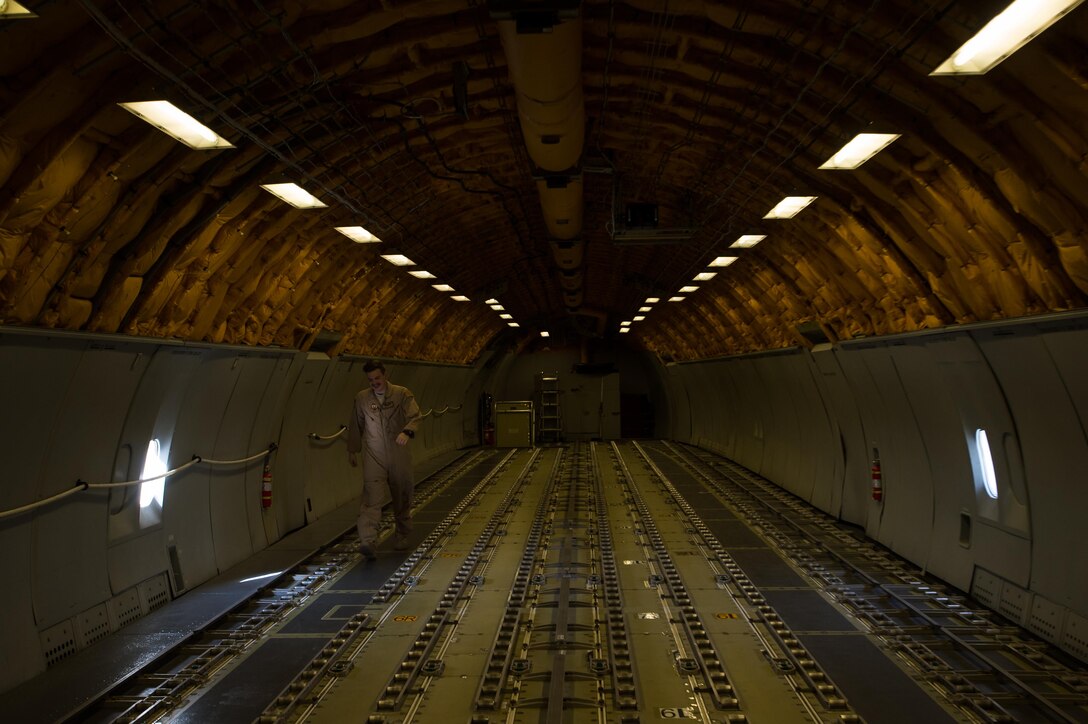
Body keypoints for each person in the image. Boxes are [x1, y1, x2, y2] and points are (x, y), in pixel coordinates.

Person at [347, 360, 422, 560]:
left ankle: (403, 534)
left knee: (402, 493)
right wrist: (352, 450)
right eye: (371, 380)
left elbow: (415, 416)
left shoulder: (401, 394)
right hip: (374, 455)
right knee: (372, 498)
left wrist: (407, 431)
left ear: (385, 375)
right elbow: (356, 424)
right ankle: (368, 540)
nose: (374, 383)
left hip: (398, 453)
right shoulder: (362, 398)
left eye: (377, 378)